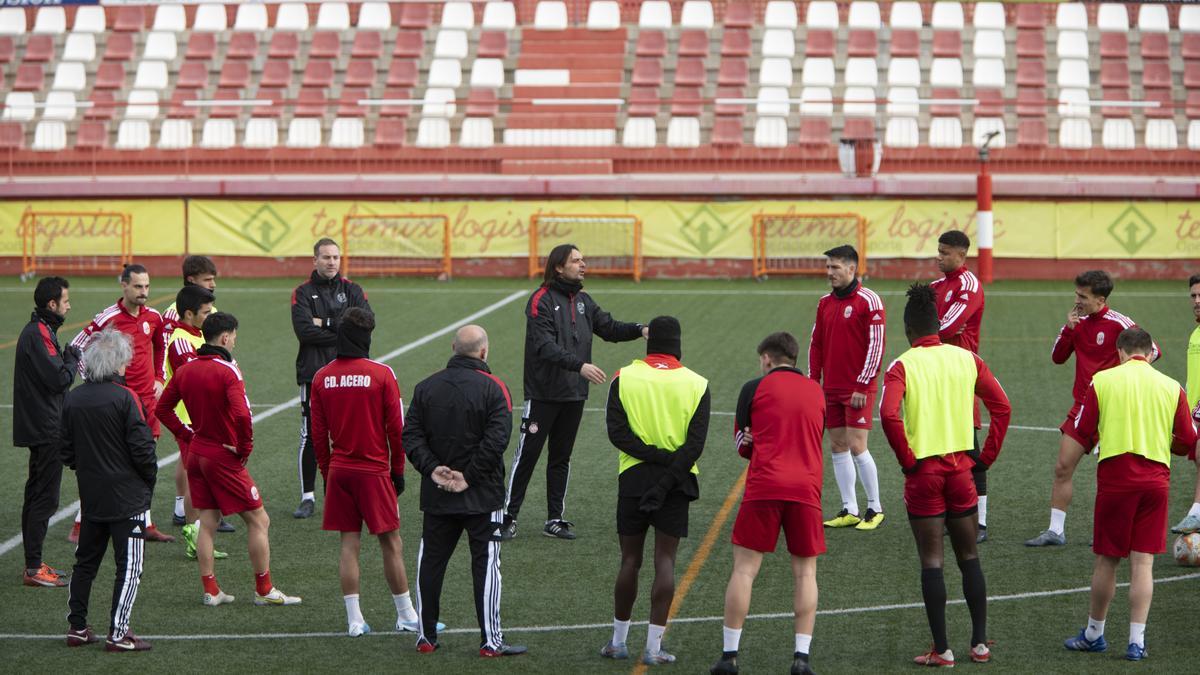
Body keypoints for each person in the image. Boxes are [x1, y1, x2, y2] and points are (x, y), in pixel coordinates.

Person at [879, 284, 1011, 668]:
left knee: (931, 561)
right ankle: (980, 644)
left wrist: (907, 459)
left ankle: (942, 650)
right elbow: (1002, 407)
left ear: (908, 330)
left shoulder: (901, 365)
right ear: (939, 324)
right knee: (969, 556)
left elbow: (888, 415)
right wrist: (984, 457)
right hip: (962, 473)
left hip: (924, 475)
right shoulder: (967, 359)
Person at [1061, 327, 1196, 661]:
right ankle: (1136, 641)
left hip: (1116, 481)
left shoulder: (1103, 381)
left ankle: (1094, 633)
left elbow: (1084, 428)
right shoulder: (1170, 387)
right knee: (1143, 563)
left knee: (1107, 560)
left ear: (1120, 352)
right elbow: (1187, 439)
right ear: (1150, 353)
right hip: (1155, 482)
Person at [503, 243, 647, 542]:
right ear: (559, 267)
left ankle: (554, 518)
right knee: (527, 455)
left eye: (584, 260)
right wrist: (579, 365)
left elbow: (609, 328)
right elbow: (544, 345)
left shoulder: (583, 300)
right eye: (576, 261)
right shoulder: (540, 300)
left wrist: (641, 328)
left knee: (561, 457)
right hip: (543, 394)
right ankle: (507, 517)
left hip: (573, 395)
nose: (584, 265)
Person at [156, 312, 301, 607]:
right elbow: (242, 415)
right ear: (224, 338)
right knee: (259, 519)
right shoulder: (227, 370)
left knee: (207, 522)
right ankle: (264, 590)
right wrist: (244, 448)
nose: (235, 340)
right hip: (222, 455)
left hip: (197, 454)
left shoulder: (186, 369)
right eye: (234, 335)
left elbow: (163, 409)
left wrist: (186, 436)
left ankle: (211, 590)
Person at [403, 325, 526, 657]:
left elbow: (410, 436)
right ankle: (490, 641)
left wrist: (433, 469)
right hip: (482, 496)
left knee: (430, 563)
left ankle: (425, 637)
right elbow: (497, 440)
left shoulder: (426, 386)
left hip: (438, 492)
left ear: (454, 348)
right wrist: (468, 476)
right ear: (483, 352)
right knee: (487, 566)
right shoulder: (495, 387)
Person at [711, 332, 825, 675]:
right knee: (805, 573)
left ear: (767, 359)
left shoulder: (753, 388)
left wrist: (751, 441)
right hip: (806, 489)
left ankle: (730, 656)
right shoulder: (816, 390)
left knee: (744, 570)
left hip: (764, 486)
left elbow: (742, 446)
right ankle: (801, 658)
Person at [309, 307, 424, 637]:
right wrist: (397, 471)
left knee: (349, 544)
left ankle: (354, 620)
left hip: (340, 472)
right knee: (392, 543)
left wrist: (327, 472)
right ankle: (406, 614)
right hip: (373, 472)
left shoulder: (321, 377)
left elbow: (318, 435)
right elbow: (396, 430)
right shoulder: (381, 374)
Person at [603, 316, 710, 666]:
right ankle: (653, 648)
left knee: (629, 561)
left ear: (649, 342)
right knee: (665, 560)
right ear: (678, 343)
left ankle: (618, 642)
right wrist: (668, 467)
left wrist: (651, 457)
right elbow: (695, 446)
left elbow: (617, 434)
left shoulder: (624, 376)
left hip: (633, 479)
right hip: (677, 483)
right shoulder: (697, 383)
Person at [1026, 270, 1160, 547]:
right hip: (1082, 407)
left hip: (1114, 409)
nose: (1077, 301)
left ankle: (1112, 530)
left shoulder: (1119, 323)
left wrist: (1123, 378)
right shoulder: (1077, 322)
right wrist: (1069, 329)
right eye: (1076, 294)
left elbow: (1153, 351)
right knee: (1063, 466)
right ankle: (1055, 531)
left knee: (1114, 476)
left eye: (1082, 296)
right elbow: (1057, 358)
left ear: (1100, 299)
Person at [61, 328, 157, 652]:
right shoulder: (125, 397)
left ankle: (77, 627)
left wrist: (87, 470)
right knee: (129, 568)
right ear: (118, 363)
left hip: (91, 497)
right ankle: (118, 633)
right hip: (127, 498)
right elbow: (143, 450)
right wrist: (147, 481)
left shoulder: (73, 398)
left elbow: (66, 450)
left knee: (85, 563)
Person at [68, 264, 173, 544]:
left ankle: (146, 522)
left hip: (146, 402)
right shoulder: (108, 317)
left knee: (145, 459)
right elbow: (76, 346)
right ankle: (81, 522)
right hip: (115, 403)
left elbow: (162, 345)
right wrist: (93, 381)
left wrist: (160, 377)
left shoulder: (154, 316)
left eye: (147, 286)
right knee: (105, 461)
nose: (144, 292)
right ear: (124, 286)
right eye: (138, 286)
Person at [291, 238, 371, 520]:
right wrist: (342, 326)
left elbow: (366, 324)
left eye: (335, 257)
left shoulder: (353, 289)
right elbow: (304, 332)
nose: (331, 262)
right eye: (326, 257)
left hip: (349, 373)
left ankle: (349, 493)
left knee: (350, 434)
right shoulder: (302, 293)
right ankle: (308, 497)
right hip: (313, 374)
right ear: (315, 260)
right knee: (311, 435)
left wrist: (323, 322)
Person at [808, 245, 887, 531]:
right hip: (831, 388)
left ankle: (875, 508)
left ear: (852, 269)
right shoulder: (824, 303)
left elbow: (876, 347)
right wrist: (812, 382)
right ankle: (849, 508)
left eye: (835, 268)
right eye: (828, 267)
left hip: (858, 389)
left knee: (856, 445)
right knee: (838, 445)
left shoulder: (870, 301)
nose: (829, 273)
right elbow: (816, 344)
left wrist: (863, 384)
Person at [13, 276, 79, 588]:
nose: (69, 305)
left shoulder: (41, 329)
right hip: (46, 427)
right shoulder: (38, 333)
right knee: (44, 497)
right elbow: (59, 380)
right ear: (52, 304)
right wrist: (72, 359)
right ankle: (33, 568)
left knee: (37, 494)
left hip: (42, 424)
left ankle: (33, 563)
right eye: (65, 301)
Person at [160, 255, 232, 533]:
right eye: (207, 280)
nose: (213, 285)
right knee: (197, 462)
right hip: (188, 401)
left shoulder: (207, 311)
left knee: (190, 458)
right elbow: (172, 353)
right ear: (191, 280)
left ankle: (190, 511)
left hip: (204, 397)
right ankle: (195, 519)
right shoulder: (176, 317)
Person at [931, 230, 990, 541]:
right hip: (933, 370)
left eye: (945, 252)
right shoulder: (934, 287)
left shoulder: (969, 284)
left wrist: (936, 328)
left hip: (960, 372)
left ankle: (979, 521)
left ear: (961, 255)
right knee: (939, 444)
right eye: (938, 251)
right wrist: (937, 328)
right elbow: (918, 325)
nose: (938, 256)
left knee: (969, 446)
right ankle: (949, 513)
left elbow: (948, 326)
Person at [1170, 274, 1200, 534]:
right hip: (1194, 410)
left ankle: (1196, 513)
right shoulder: (1196, 332)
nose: (1197, 301)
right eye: (1193, 296)